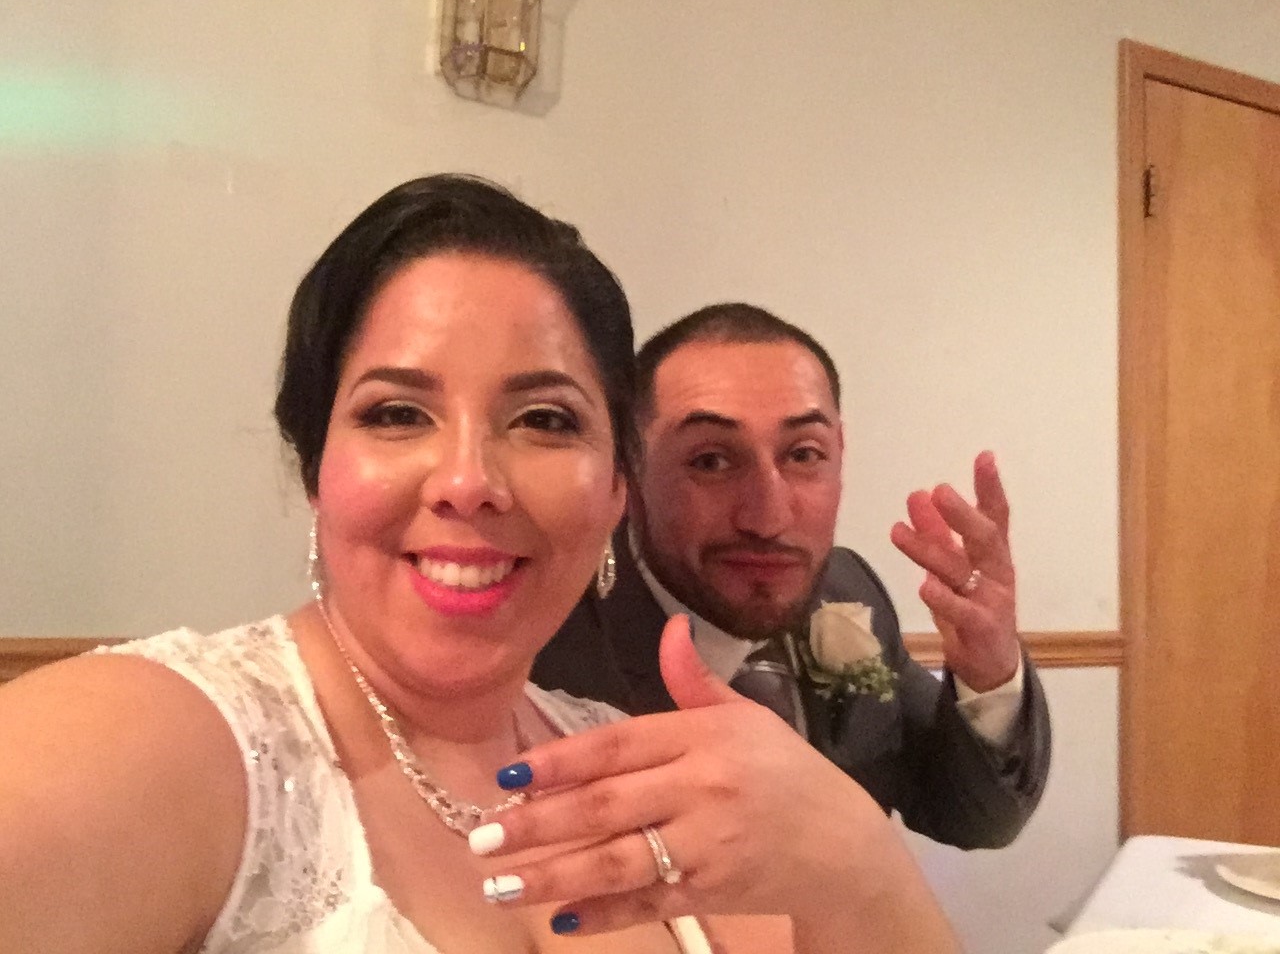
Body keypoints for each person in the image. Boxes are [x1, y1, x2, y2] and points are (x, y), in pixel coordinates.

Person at [0, 177, 958, 953]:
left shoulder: (636, 764)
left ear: (617, 487)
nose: (468, 481)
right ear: (317, 469)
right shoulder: (168, 742)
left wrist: (858, 859)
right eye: (396, 413)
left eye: (543, 419)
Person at [533, 302, 1052, 849]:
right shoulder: (550, 639)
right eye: (711, 461)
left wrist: (990, 672)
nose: (768, 517)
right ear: (630, 468)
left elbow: (976, 818)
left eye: (804, 454)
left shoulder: (848, 591)